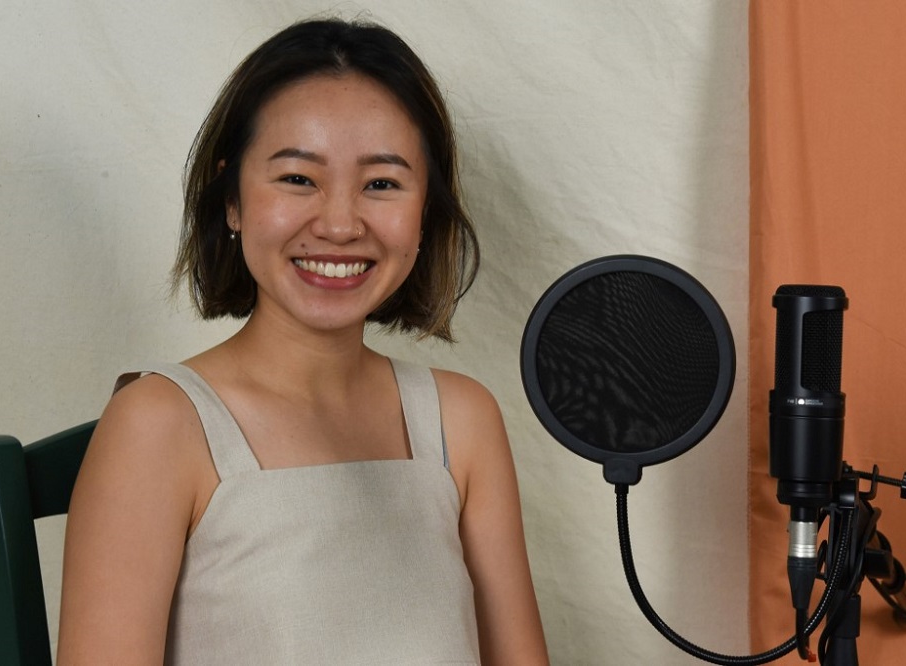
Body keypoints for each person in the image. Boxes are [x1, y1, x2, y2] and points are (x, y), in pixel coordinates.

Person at [57, 17, 548, 665]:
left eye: (381, 184)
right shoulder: (157, 424)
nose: (340, 225)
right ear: (232, 199)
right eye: (297, 179)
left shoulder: (462, 420)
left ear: (426, 210)